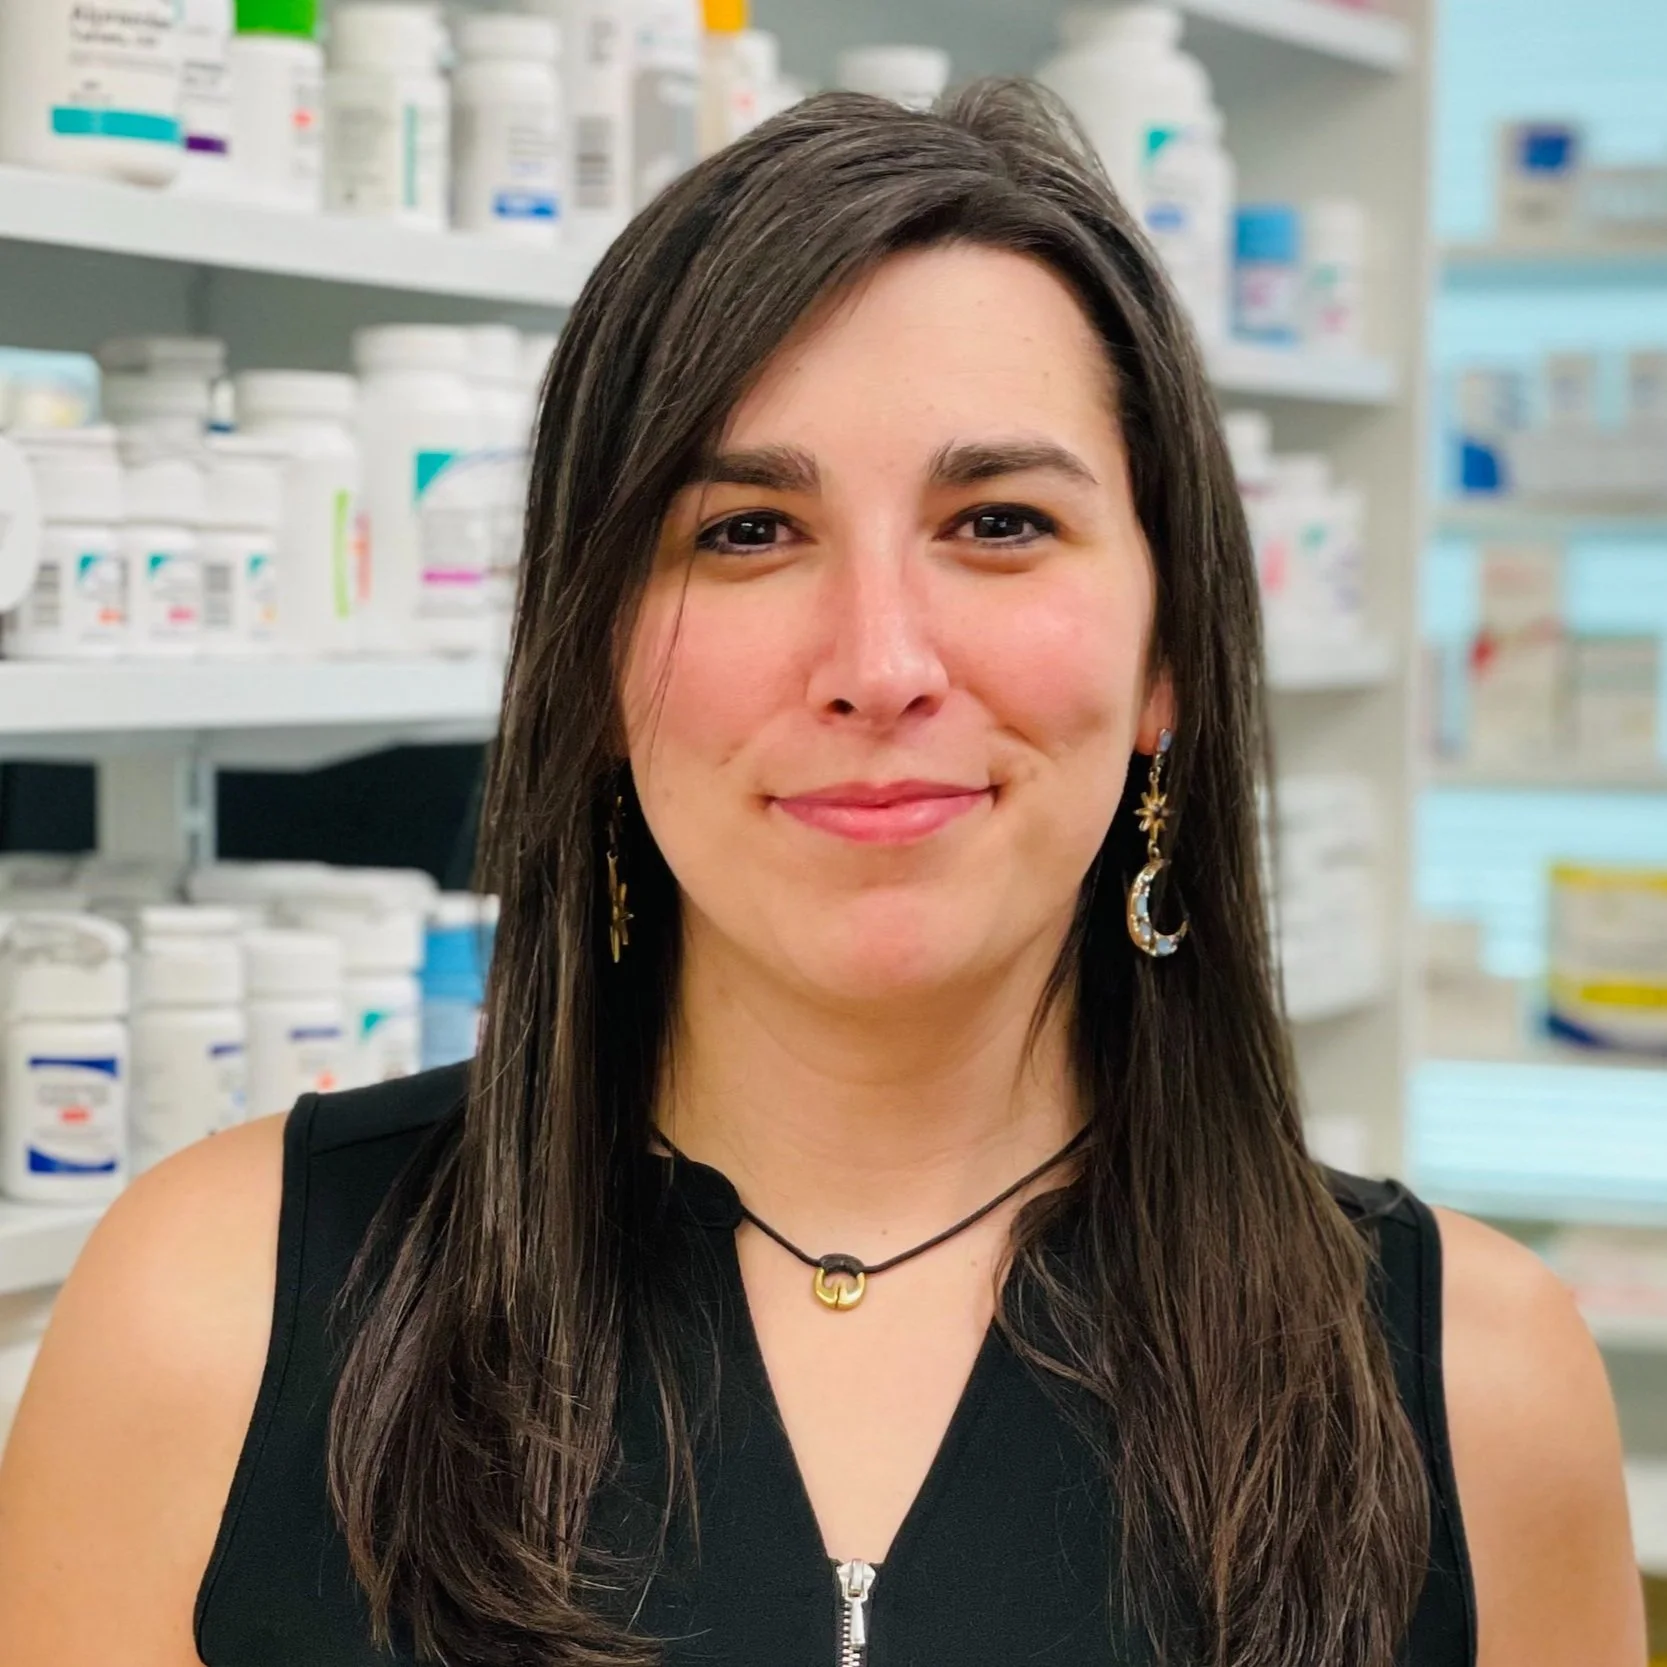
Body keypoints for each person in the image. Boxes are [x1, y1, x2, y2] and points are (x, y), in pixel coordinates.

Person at [0, 83, 1643, 1667]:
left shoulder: (1471, 1388)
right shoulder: (213, 1310)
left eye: (997, 521)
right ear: (589, 658)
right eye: (746, 531)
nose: (878, 664)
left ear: (1166, 657)